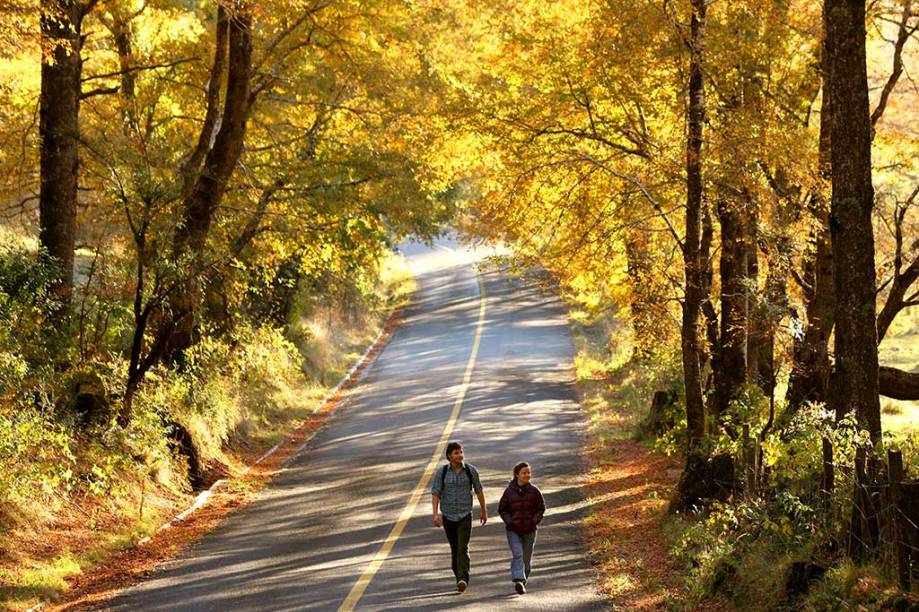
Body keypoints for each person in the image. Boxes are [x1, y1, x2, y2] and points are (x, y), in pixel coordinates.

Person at [431, 441, 487, 592]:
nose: (460, 455)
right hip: (448, 516)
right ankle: (458, 576)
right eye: (456, 453)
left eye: (461, 452)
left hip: (465, 515)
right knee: (455, 549)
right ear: (449, 456)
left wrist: (484, 510)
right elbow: (436, 493)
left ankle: (463, 578)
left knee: (462, 548)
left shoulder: (471, 471)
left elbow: (479, 490)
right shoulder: (441, 472)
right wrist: (435, 514)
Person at [498, 461, 545, 595]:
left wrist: (534, 521)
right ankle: (518, 579)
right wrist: (510, 522)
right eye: (524, 473)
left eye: (529, 473)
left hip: (530, 530)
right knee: (518, 554)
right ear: (517, 474)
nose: (527, 475)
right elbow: (502, 509)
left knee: (526, 559)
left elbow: (541, 509)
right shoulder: (508, 492)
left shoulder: (535, 491)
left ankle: (522, 581)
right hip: (514, 530)